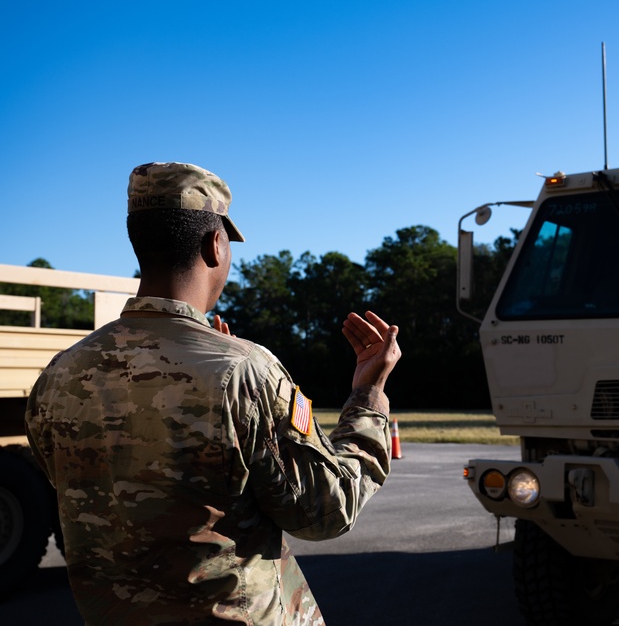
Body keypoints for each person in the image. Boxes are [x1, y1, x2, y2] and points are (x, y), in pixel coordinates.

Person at [25, 162, 401, 625]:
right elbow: (324, 509)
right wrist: (369, 395)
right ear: (214, 244)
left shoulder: (60, 373)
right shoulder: (244, 370)